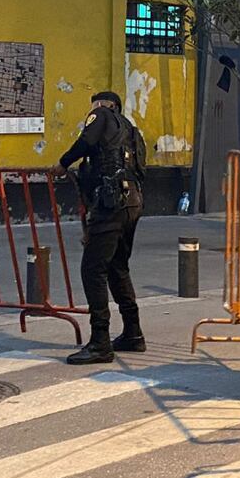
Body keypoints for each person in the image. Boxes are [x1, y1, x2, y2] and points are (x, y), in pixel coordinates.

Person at [49, 91, 146, 365]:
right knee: (117, 267)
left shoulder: (102, 115)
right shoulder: (130, 128)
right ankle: (133, 333)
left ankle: (100, 342)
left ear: (106, 105)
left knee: (92, 270)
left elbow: (85, 142)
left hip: (111, 203)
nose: (91, 112)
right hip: (132, 202)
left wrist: (63, 163)